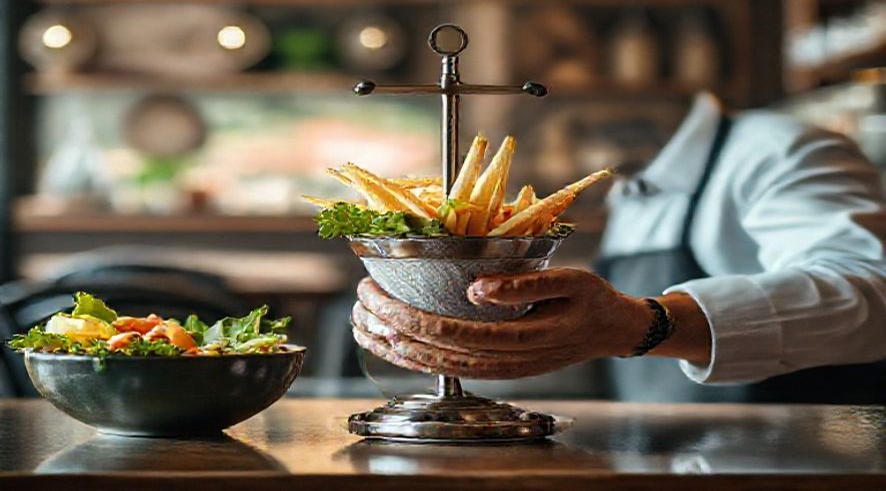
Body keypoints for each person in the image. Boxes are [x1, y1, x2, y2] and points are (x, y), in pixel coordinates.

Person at [351, 93, 886, 403]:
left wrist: (641, 323)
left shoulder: (779, 149)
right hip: (667, 456)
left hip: (795, 456)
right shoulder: (634, 184)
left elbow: (869, 292)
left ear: (592, 126)